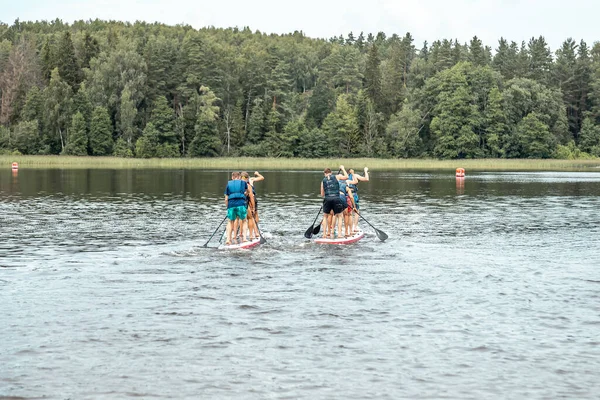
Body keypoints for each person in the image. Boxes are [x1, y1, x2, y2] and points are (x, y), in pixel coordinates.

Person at [320, 165, 348, 238]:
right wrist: (343, 168)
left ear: (324, 174)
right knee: (339, 216)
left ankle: (324, 234)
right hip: (336, 198)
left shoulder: (323, 181)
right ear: (331, 172)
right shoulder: (337, 177)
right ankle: (339, 234)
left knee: (325, 216)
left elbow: (322, 194)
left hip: (327, 198)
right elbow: (346, 177)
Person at [224, 171, 248, 245]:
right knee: (244, 221)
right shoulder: (243, 183)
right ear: (239, 177)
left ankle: (228, 239)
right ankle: (244, 238)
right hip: (241, 204)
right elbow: (246, 192)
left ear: (232, 177)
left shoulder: (228, 184)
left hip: (231, 205)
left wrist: (227, 207)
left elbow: (226, 198)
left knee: (230, 222)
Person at [241, 171, 264, 240]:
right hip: (251, 199)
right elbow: (262, 177)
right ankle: (256, 233)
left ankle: (249, 232)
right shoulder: (251, 179)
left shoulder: (241, 181)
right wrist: (257, 174)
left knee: (249, 217)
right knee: (253, 216)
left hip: (245, 199)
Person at [347, 167, 369, 232]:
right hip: (353, 194)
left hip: (346, 195)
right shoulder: (355, 176)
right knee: (356, 211)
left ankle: (348, 226)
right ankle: (355, 227)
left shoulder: (344, 177)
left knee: (347, 211)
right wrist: (365, 171)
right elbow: (366, 179)